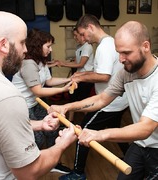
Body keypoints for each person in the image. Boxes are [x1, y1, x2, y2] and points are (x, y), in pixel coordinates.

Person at [49, 21, 158, 179]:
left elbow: (145, 128)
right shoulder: (125, 73)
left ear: (145, 46)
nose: (120, 59)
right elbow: (101, 99)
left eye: (126, 53)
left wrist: (100, 134)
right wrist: (66, 107)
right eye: (118, 52)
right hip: (140, 144)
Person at [0, 11, 77, 179]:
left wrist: (39, 125)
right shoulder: (6, 96)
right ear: (3, 44)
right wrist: (62, 145)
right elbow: (29, 171)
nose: (25, 49)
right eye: (22, 42)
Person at [11, 28, 74, 174]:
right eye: (48, 46)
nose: (50, 50)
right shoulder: (28, 63)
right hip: (22, 106)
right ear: (37, 46)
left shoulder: (41, 62)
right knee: (37, 139)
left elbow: (49, 81)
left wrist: (70, 79)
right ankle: (31, 168)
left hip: (35, 103)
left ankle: (54, 163)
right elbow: (38, 90)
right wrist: (64, 89)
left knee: (53, 130)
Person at [57, 27, 94, 121]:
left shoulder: (87, 46)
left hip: (86, 78)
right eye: (73, 35)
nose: (74, 37)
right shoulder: (79, 47)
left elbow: (81, 64)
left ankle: (88, 121)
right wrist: (62, 63)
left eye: (76, 35)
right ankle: (70, 121)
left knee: (82, 101)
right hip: (79, 76)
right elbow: (76, 62)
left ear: (82, 35)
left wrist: (63, 64)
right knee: (72, 98)